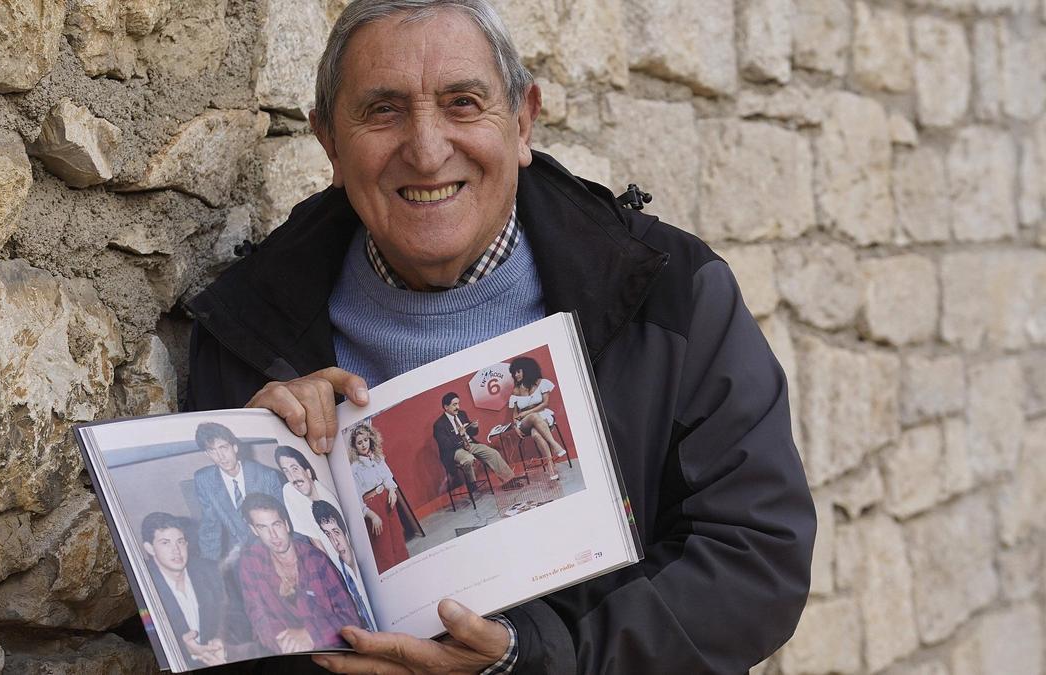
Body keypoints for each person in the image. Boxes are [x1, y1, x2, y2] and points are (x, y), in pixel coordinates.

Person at [185, 0, 815, 672]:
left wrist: (535, 657)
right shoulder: (249, 328)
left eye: (462, 103)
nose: (427, 151)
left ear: (522, 121)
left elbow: (756, 557)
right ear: (330, 145)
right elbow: (215, 615)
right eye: (383, 110)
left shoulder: (669, 292)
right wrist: (256, 453)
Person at [237, 493, 364, 655]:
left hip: (333, 652)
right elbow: (257, 618)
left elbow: (351, 619)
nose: (273, 535)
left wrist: (311, 635)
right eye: (263, 527)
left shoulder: (317, 560)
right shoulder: (251, 563)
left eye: (276, 525)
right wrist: (284, 642)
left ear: (286, 524)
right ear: (254, 530)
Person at [140, 512, 228, 669]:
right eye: (165, 543)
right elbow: (147, 639)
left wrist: (222, 640)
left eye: (180, 542)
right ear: (150, 548)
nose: (176, 550)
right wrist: (182, 648)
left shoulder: (210, 571)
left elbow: (232, 614)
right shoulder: (144, 585)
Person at [192, 421, 286, 562]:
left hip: (273, 549)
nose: (221, 456)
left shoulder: (266, 476)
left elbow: (284, 521)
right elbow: (210, 527)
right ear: (207, 454)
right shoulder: (204, 480)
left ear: (235, 447)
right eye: (213, 451)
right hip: (239, 556)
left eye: (223, 447)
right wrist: (209, 568)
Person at [347, 424, 409, 572]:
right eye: (359, 442)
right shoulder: (354, 468)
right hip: (373, 506)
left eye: (365, 440)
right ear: (355, 446)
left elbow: (388, 478)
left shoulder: (378, 458)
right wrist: (372, 516)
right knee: (383, 545)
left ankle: (406, 569)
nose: (363, 445)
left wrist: (392, 491)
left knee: (397, 537)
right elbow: (356, 499)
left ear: (370, 439)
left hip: (388, 500)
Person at [313, 499, 378, 632]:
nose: (335, 542)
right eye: (328, 535)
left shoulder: (365, 559)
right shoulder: (338, 574)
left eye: (336, 532)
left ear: (345, 532)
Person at [432, 391, 520, 489]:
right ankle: (472, 485)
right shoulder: (439, 425)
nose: (458, 407)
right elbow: (445, 445)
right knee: (468, 459)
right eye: (454, 405)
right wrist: (459, 435)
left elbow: (473, 433)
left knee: (492, 453)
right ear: (446, 407)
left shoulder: (461, 414)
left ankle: (509, 481)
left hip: (470, 444)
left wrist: (474, 427)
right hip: (455, 450)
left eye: (458, 403)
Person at [275, 444, 345, 560]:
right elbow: (313, 538)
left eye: (295, 469)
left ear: (308, 472)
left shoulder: (328, 498)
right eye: (286, 472)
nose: (293, 477)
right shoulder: (289, 491)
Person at [506, 356, 566, 481]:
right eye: (514, 373)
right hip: (525, 423)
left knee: (536, 435)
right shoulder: (516, 391)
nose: (516, 375)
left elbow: (545, 404)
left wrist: (527, 411)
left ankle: (550, 467)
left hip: (543, 416)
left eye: (518, 371)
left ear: (526, 370)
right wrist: (515, 427)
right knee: (533, 417)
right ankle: (554, 444)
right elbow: (515, 414)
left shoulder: (541, 383)